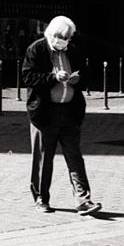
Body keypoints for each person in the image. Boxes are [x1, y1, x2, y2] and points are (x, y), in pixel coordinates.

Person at [21, 15, 101, 215]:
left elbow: (87, 76)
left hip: (69, 112)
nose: (62, 40)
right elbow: (28, 76)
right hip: (45, 113)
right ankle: (41, 198)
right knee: (43, 159)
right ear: (51, 33)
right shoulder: (36, 49)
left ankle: (84, 200)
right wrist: (53, 77)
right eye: (59, 36)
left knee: (75, 157)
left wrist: (78, 80)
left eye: (66, 37)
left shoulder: (72, 51)